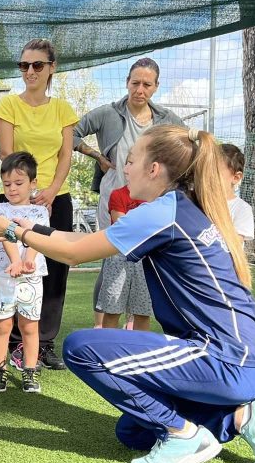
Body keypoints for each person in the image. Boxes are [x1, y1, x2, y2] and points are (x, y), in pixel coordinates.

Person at [0, 125, 255, 463]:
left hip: (229, 358)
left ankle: (184, 435)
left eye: (132, 160)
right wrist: (26, 227)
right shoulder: (181, 206)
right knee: (133, 433)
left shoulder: (163, 212)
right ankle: (244, 418)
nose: (125, 167)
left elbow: (76, 252)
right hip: (247, 357)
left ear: (154, 169)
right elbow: (88, 239)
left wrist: (14, 231)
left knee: (81, 349)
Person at [73, 58, 186, 327]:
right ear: (127, 83)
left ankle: (137, 322)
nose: (140, 89)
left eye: (147, 84)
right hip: (114, 199)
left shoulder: (167, 119)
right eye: (135, 83)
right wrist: (97, 155)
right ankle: (101, 324)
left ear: (156, 87)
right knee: (112, 260)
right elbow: (71, 135)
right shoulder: (107, 113)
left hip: (151, 205)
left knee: (147, 262)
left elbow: (189, 145)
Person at [0, 38, 79, 371]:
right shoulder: (8, 106)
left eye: (37, 65)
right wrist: (29, 195)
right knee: (14, 267)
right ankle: (16, 344)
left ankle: (44, 343)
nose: (30, 71)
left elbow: (66, 154)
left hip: (57, 197)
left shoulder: (63, 110)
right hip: (18, 199)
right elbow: (7, 155)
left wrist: (52, 191)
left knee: (54, 270)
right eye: (24, 65)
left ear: (51, 68)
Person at [0, 152, 50, 394]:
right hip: (3, 276)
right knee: (2, 326)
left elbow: (37, 238)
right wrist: (15, 261)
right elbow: (5, 235)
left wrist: (28, 261)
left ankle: (29, 371)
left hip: (31, 277)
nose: (12, 189)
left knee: (30, 326)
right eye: (7, 184)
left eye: (19, 183)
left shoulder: (40, 212)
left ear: (33, 183)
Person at [96, 184, 152, 332]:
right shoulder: (118, 194)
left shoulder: (153, 196)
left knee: (143, 312)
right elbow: (123, 226)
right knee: (112, 309)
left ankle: (139, 350)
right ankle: (109, 351)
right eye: (128, 163)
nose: (128, 168)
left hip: (145, 257)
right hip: (118, 256)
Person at [218, 144, 255, 244]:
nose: (207, 178)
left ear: (236, 177)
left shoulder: (242, 209)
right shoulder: (197, 203)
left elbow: (235, 246)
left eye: (216, 173)